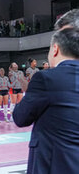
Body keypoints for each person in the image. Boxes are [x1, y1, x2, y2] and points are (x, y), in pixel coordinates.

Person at [13, 27, 79, 174]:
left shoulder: (45, 78)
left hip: (55, 165)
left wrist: (29, 92)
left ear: (55, 49)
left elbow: (20, 117)